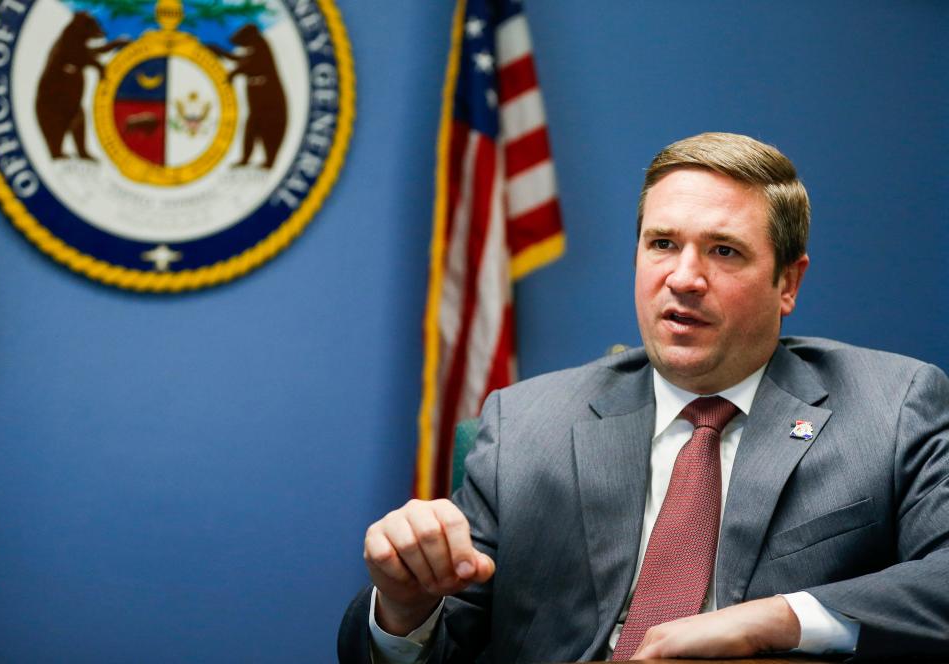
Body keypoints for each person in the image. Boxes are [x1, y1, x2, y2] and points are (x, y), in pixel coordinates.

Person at [339, 133, 949, 663]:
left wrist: (778, 618)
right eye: (662, 244)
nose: (683, 277)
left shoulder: (890, 407)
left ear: (787, 282)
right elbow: (446, 644)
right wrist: (403, 604)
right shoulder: (526, 424)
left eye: (724, 250)